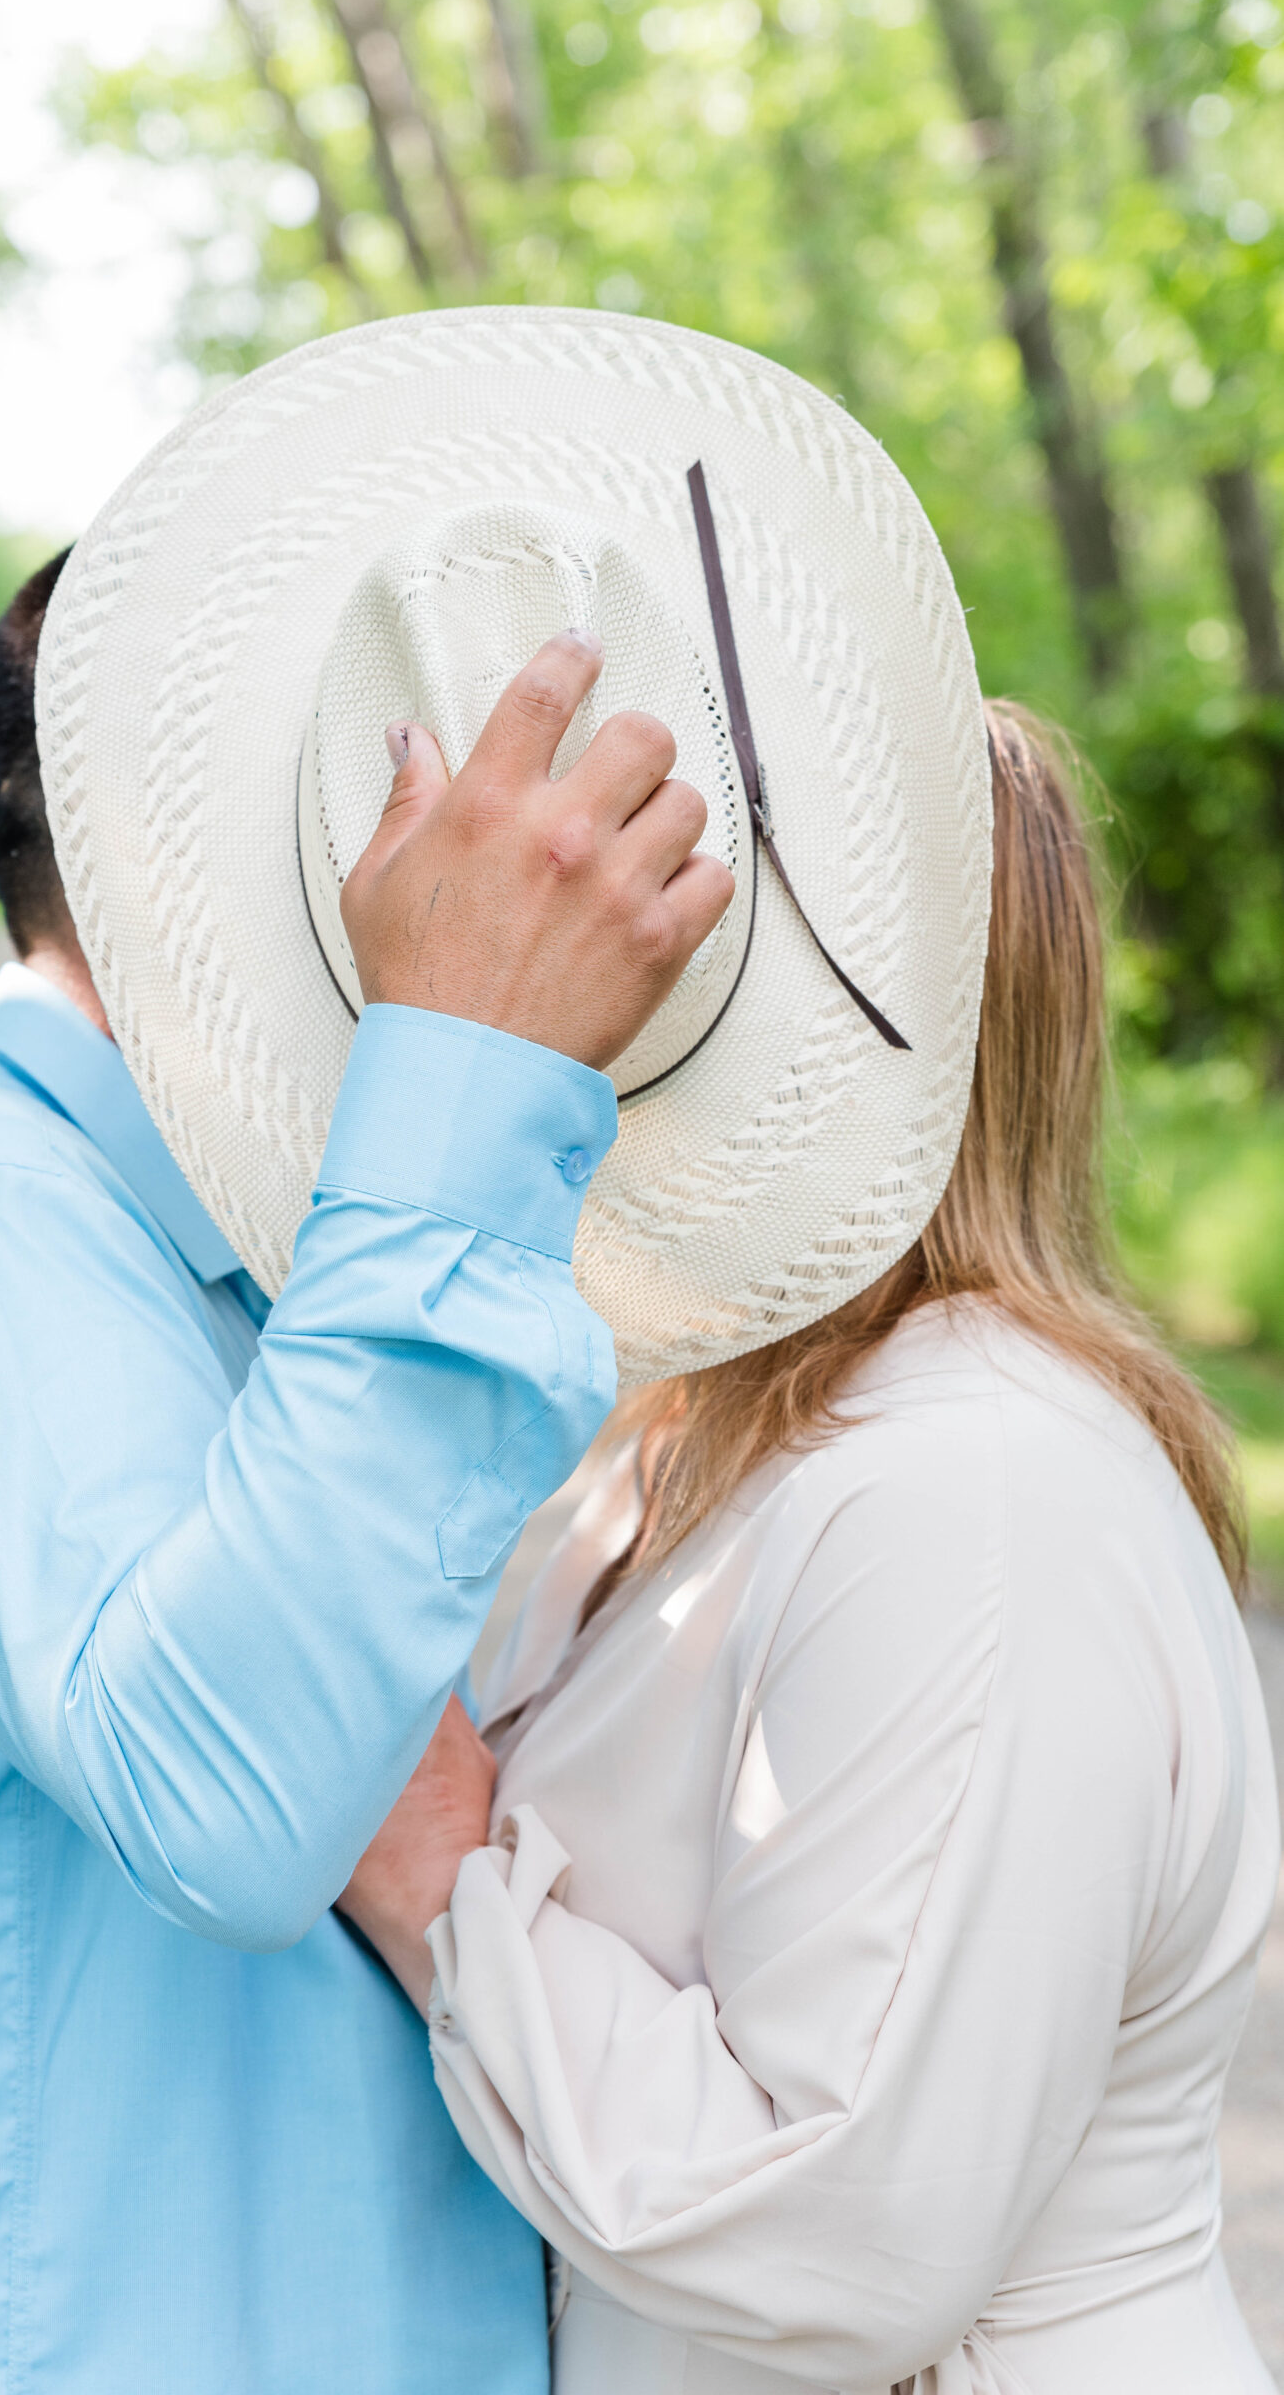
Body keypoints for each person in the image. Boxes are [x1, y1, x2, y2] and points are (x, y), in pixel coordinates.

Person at [0, 539, 731, 2390]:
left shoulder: (249, 1262)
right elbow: (226, 1797)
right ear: (215, 832)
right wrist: (463, 1061)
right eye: (404, 792)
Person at [340, 703, 1282, 2394]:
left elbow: (848, 2243)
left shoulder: (978, 1487)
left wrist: (435, 1870)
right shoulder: (693, 1435)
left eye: (657, 935)